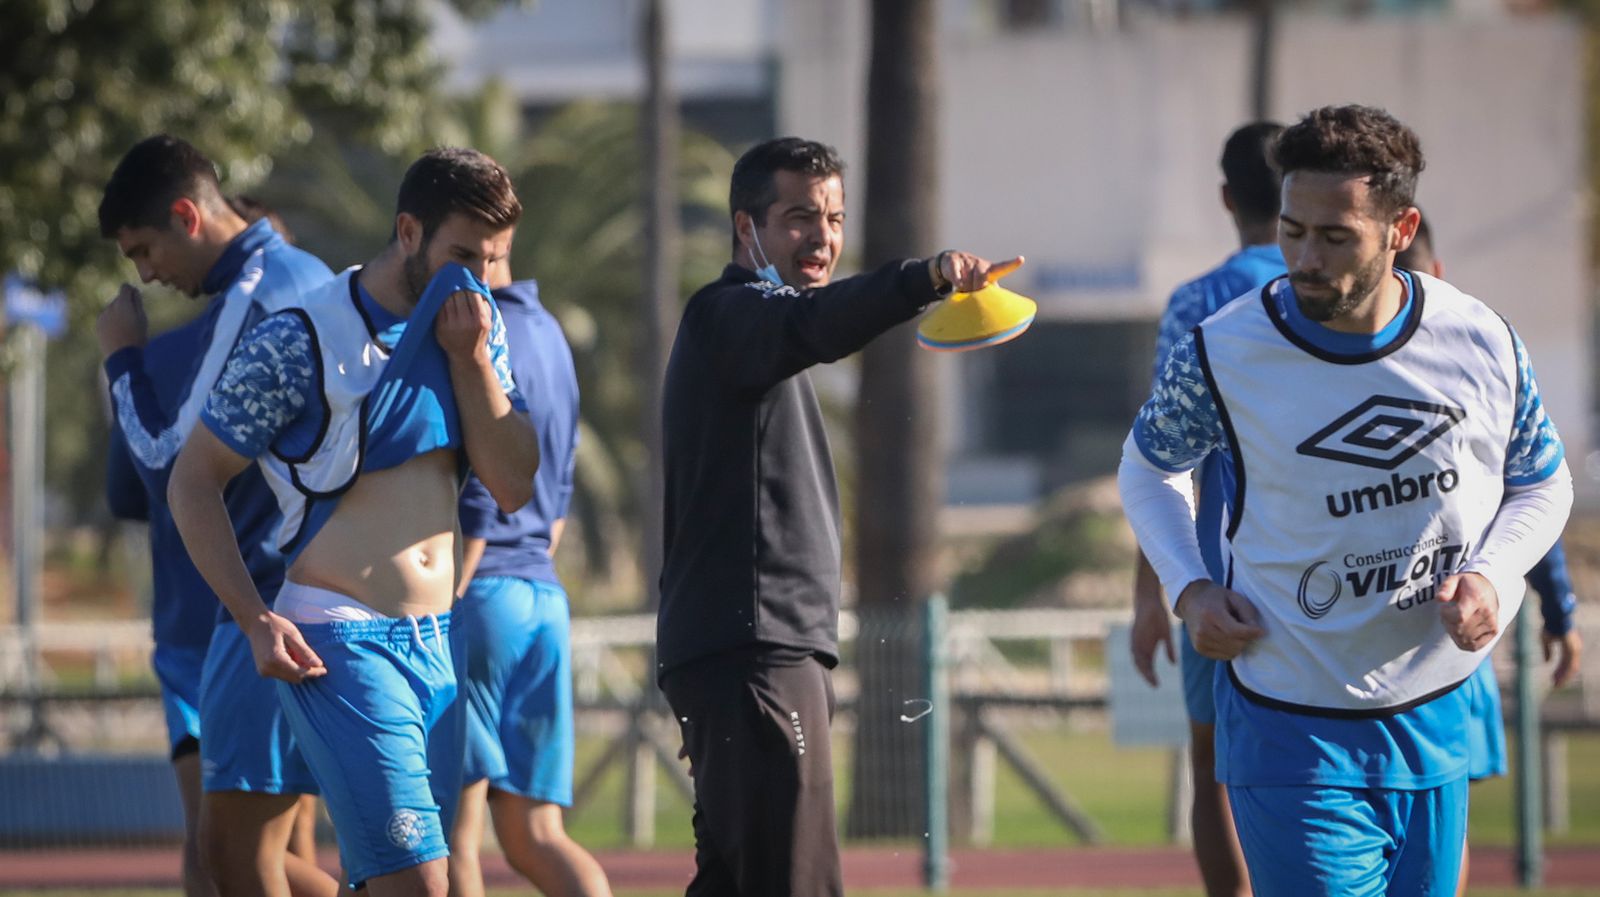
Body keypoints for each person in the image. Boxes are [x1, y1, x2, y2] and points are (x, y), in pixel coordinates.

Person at [1117, 104, 1573, 895]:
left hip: (1433, 710)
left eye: (1336, 237)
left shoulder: (1481, 339)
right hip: (1287, 718)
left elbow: (1542, 478)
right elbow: (1146, 467)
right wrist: (1188, 589)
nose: (1305, 258)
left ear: (1401, 228)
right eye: (1294, 231)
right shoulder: (1223, 349)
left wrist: (1495, 578)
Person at [656, 136, 1021, 897]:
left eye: (833, 217)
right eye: (798, 217)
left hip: (750, 656)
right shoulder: (732, 315)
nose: (821, 237)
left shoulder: (755, 338)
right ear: (744, 226)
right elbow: (816, 322)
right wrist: (922, 277)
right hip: (755, 654)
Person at [169, 147, 538, 897]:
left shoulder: (477, 329)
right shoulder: (297, 339)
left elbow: (512, 482)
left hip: (441, 643)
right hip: (342, 638)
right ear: (408, 231)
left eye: (494, 261)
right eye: (463, 255)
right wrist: (252, 618)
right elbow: (192, 480)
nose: (480, 280)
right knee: (419, 886)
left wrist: (471, 363)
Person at [96, 135, 338, 897]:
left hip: (254, 611)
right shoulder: (314, 276)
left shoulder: (253, 296)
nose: (146, 273)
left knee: (233, 858)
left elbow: (170, 468)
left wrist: (123, 361)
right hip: (307, 597)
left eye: (143, 249)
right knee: (238, 851)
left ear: (185, 215)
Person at [1395, 214, 1586, 897]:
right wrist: (1560, 609)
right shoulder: (1471, 357)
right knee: (1440, 824)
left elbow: (1536, 488)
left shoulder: (1478, 351)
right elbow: (1527, 493)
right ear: (1438, 271)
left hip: (1425, 638)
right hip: (1452, 641)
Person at [1129, 120, 1285, 897]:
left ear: (1225, 197)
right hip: (1323, 570)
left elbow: (1162, 456)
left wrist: (1149, 594)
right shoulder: (1334, 288)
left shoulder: (1197, 300)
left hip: (1220, 583)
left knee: (1212, 766)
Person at [446, 255, 612, 897]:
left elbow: (484, 497)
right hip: (543, 594)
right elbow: (561, 487)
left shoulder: (476, 333)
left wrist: (445, 605)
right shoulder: (550, 332)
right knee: (536, 838)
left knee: (453, 839)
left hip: (480, 595)